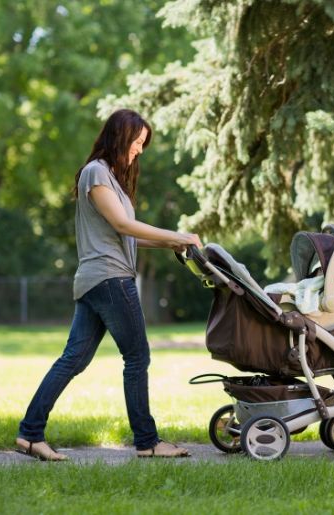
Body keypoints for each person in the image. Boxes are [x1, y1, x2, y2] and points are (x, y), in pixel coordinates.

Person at [15, 109, 201, 460]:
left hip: (95, 281)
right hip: (110, 278)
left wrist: (172, 243)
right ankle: (147, 442)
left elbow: (126, 235)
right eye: (137, 142)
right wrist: (178, 234)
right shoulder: (96, 173)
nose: (139, 150)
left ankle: (29, 434)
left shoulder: (111, 180)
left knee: (73, 360)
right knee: (137, 356)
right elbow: (123, 225)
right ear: (120, 136)